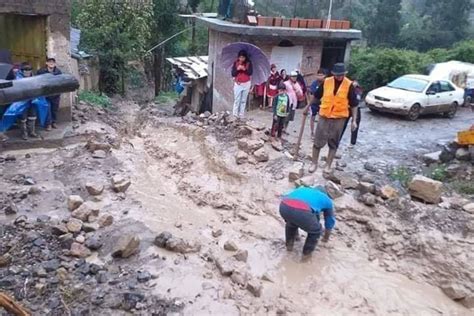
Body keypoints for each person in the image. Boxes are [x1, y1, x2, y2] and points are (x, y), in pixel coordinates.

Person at [308, 63, 358, 173]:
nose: (339, 77)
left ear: (344, 74)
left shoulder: (349, 85)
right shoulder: (327, 82)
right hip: (324, 115)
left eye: (341, 75)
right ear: (333, 74)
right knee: (318, 140)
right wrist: (307, 107)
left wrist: (354, 120)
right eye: (337, 75)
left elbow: (354, 104)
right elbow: (316, 96)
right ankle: (313, 163)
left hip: (339, 118)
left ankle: (328, 165)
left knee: (333, 142)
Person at [279, 186, 335, 260]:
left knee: (291, 223)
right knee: (316, 231)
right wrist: (325, 239)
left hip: (283, 206)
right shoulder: (327, 200)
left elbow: (290, 200)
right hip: (302, 210)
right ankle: (305, 257)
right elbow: (329, 221)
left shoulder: (303, 189)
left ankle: (289, 248)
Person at [37, 57, 62, 130]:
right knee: (47, 109)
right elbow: (38, 81)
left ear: (55, 64)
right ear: (46, 63)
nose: (51, 63)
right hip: (46, 94)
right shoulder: (41, 71)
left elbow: (61, 82)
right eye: (50, 62)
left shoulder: (58, 72)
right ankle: (48, 124)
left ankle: (54, 122)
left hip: (55, 94)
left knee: (54, 109)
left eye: (53, 62)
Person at [17, 62, 39, 140]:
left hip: (32, 101)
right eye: (25, 69)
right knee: (23, 118)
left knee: (32, 116)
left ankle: (32, 132)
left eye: (29, 69)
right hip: (22, 101)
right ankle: (24, 133)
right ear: (21, 70)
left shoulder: (34, 78)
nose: (27, 71)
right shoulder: (17, 79)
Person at [305, 68, 328, 138]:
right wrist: (309, 103)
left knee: (323, 119)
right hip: (314, 104)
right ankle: (312, 133)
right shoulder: (314, 83)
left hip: (324, 104)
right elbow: (310, 93)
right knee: (313, 118)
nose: (319, 76)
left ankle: (320, 133)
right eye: (318, 75)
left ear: (325, 76)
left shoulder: (327, 83)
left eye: (321, 75)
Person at [339, 80, 363, 147]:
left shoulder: (358, 90)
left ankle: (352, 142)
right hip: (347, 108)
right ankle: (338, 140)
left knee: (355, 125)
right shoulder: (347, 88)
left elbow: (358, 99)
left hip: (356, 108)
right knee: (343, 125)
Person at [231, 50, 253, 119]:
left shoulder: (249, 63)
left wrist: (244, 69)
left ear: (245, 57)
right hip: (238, 83)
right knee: (237, 99)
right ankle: (235, 114)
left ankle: (241, 114)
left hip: (246, 83)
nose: (241, 59)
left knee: (243, 100)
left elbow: (250, 73)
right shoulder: (235, 63)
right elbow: (233, 73)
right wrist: (237, 69)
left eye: (243, 57)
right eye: (240, 57)